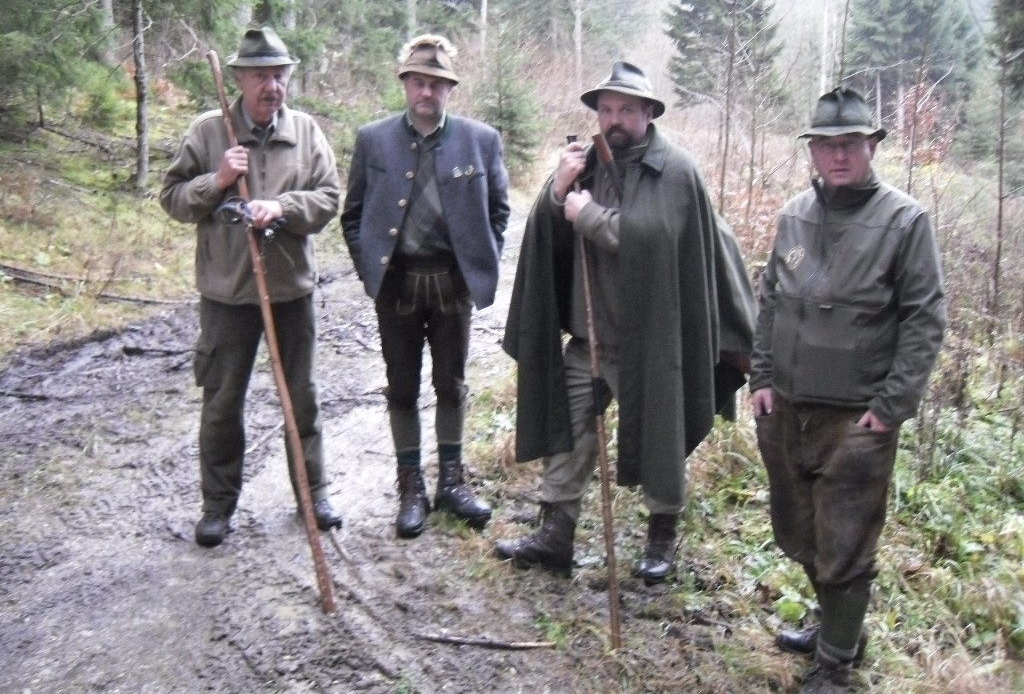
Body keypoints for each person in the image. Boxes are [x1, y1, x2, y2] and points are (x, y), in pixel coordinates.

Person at [495, 61, 755, 583]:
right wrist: (557, 191)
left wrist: (588, 216)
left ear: (649, 114)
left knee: (661, 439)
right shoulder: (585, 165)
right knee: (568, 432)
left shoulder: (675, 170)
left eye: (627, 110)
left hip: (653, 342)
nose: (614, 119)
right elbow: (548, 232)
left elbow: (657, 239)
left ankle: (661, 538)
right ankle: (556, 534)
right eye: (607, 109)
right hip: (589, 338)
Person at [749, 87, 947, 692]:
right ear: (812, 151)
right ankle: (837, 627)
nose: (838, 156)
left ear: (872, 147)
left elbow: (925, 318)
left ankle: (836, 663)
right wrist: (761, 376)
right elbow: (771, 300)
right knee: (798, 531)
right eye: (827, 145)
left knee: (847, 542)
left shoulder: (904, 221)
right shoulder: (794, 216)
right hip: (787, 408)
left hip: (856, 419)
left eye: (851, 144)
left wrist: (890, 407)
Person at [161, 26, 343, 547]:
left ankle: (313, 493)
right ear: (240, 79)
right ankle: (218, 506)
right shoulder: (208, 132)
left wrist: (281, 207)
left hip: (291, 291)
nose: (272, 86)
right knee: (222, 402)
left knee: (302, 399)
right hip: (227, 294)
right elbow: (172, 199)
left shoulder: (306, 131)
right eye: (261, 76)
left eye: (280, 75)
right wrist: (217, 180)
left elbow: (329, 199)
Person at [341, 34, 510, 539]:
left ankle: (452, 483)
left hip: (453, 286)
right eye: (418, 81)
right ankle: (410, 486)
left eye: (436, 84)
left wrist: (478, 264)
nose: (426, 92)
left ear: (449, 89)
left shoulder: (481, 141)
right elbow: (353, 215)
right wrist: (371, 269)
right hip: (397, 286)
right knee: (401, 387)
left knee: (451, 384)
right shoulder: (373, 139)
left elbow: (499, 212)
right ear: (405, 84)